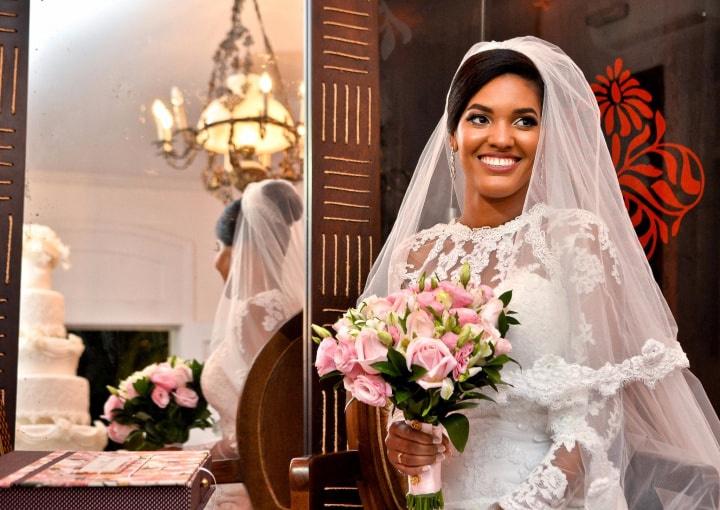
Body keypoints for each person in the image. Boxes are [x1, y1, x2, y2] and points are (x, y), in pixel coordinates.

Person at [372, 37, 720, 509]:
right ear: (452, 134)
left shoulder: (577, 240)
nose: (501, 137)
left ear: (546, 136)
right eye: (480, 117)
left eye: (524, 121)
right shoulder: (415, 256)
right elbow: (404, 402)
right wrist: (403, 437)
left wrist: (515, 507)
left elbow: (596, 416)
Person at [201, 178, 303, 509]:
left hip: (250, 488)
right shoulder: (272, 309)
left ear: (244, 248)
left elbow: (274, 419)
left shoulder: (258, 313)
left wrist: (211, 454)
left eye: (218, 249)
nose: (215, 263)